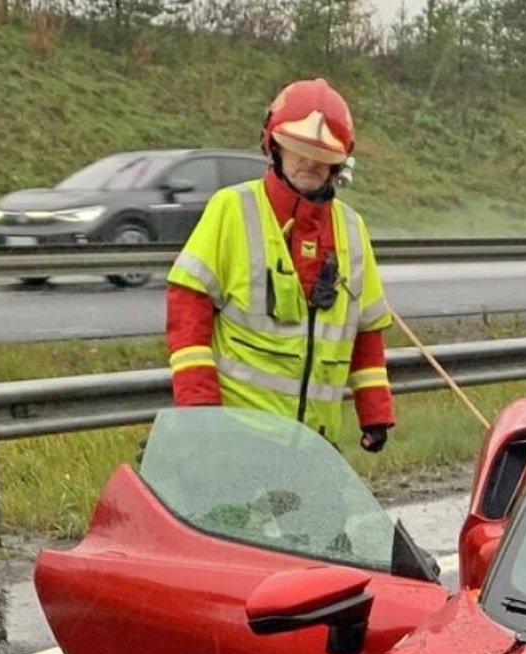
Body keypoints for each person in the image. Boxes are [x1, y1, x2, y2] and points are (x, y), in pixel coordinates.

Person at [166, 78, 398, 454]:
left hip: (316, 447)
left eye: (322, 152)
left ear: (340, 160)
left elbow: (367, 332)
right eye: (297, 147)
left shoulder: (352, 229)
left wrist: (374, 411)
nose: (309, 161)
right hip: (237, 442)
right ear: (273, 145)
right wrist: (199, 412)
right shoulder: (232, 209)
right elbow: (187, 311)